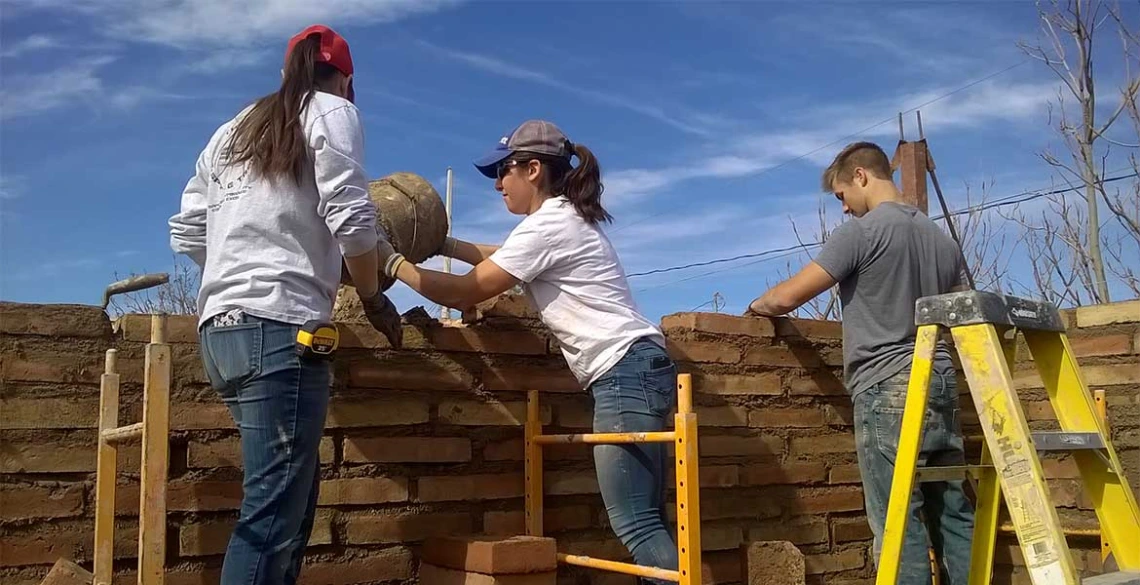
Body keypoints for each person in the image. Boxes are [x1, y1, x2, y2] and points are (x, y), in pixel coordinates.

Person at [382, 119, 679, 583]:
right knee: (649, 519)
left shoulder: (549, 226)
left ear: (534, 169)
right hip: (639, 368)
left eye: (504, 171)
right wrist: (444, 244)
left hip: (624, 374)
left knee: (636, 524)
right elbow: (503, 256)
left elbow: (465, 294)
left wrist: (391, 263)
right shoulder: (560, 220)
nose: (499, 184)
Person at [168, 24, 402, 585]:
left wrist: (235, 274)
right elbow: (352, 215)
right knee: (272, 517)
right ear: (346, 80)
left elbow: (190, 230)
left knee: (291, 503)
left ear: (284, 73)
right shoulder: (332, 110)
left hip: (221, 336)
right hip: (280, 332)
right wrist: (371, 294)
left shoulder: (232, 131)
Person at [743, 141, 975, 585]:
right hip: (941, 382)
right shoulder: (942, 240)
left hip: (888, 385)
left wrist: (758, 306)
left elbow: (788, 297)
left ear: (861, 177)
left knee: (897, 521)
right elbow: (963, 310)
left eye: (841, 196)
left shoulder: (862, 233)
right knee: (952, 512)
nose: (845, 209)